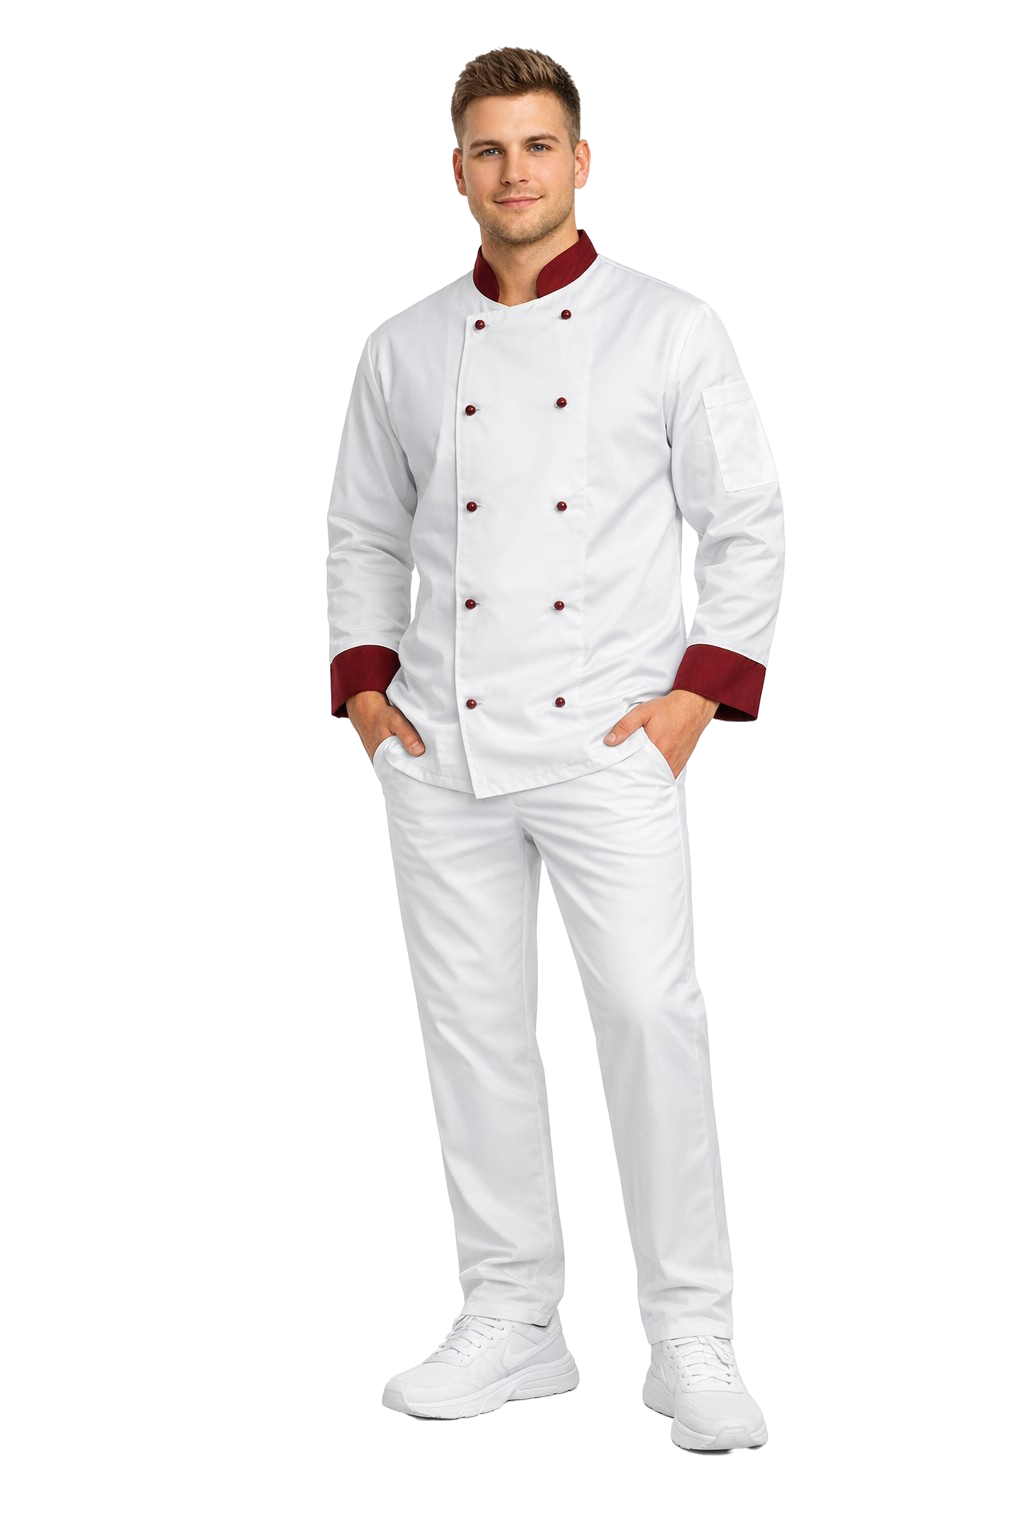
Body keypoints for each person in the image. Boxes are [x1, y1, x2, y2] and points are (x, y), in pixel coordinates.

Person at [325, 46, 784, 1454]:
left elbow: (746, 520)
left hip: (608, 738)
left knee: (650, 1020)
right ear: (457, 171)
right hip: (441, 744)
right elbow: (363, 530)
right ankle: (515, 1319)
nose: (513, 171)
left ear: (581, 161)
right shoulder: (404, 347)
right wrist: (369, 698)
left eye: (537, 146)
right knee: (472, 1035)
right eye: (488, 148)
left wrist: (693, 702)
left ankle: (691, 1334)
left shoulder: (670, 327)